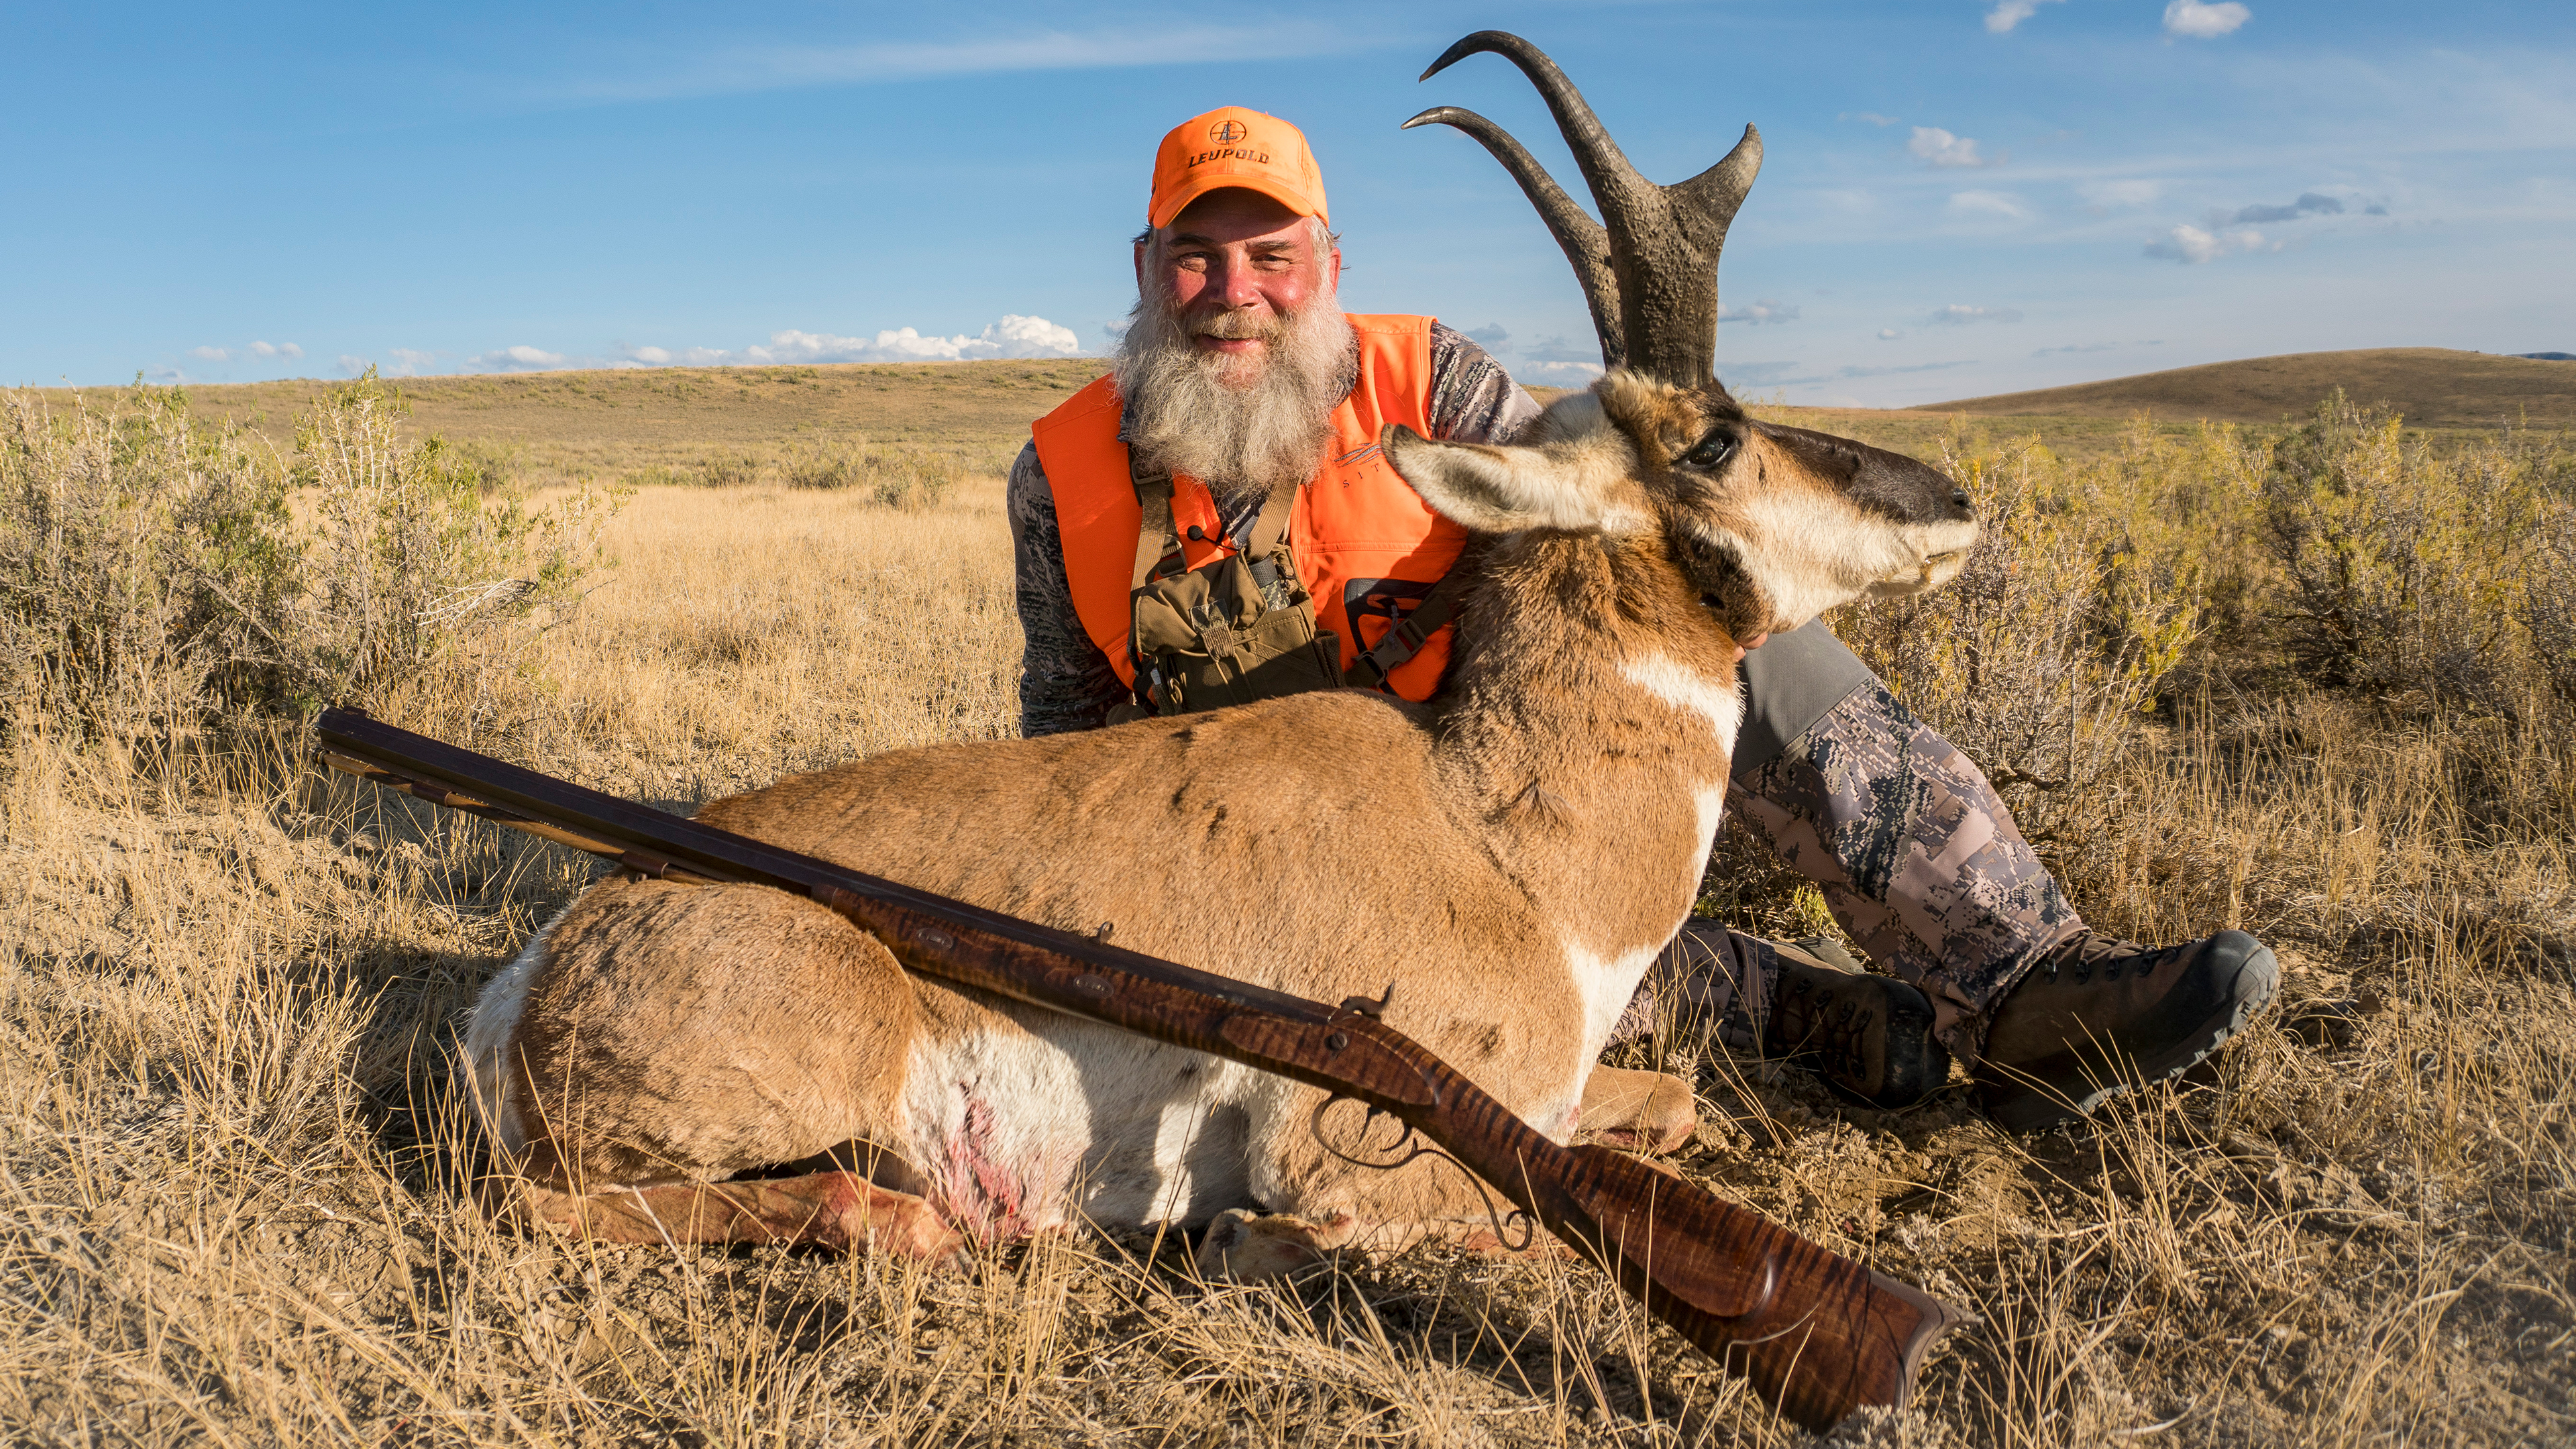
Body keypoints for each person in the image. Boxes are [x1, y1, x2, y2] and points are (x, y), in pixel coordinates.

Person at [1005, 107, 2276, 1131]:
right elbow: (1060, 745)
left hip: (1491, 793)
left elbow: (1629, 484)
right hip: (1281, 884)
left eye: (1271, 255)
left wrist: (1715, 525)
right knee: (1474, 985)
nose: (1236, 291)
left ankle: (2020, 979)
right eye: (1197, 254)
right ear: (1145, 270)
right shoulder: (1060, 476)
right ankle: (1787, 1006)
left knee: (1717, 613)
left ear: (1327, 265)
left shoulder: (1430, 381)